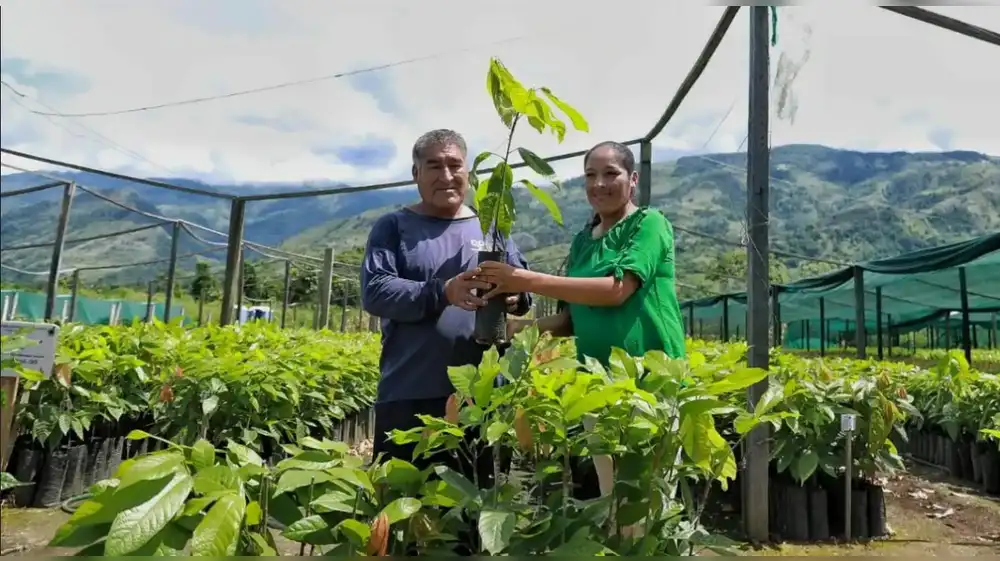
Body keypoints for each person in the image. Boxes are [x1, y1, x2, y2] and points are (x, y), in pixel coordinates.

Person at [475, 140, 686, 499]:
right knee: (613, 498)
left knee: (650, 501)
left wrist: (524, 279)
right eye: (591, 175)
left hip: (650, 381)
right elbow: (572, 321)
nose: (599, 184)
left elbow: (617, 290)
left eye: (610, 174)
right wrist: (516, 328)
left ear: (632, 179)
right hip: (598, 385)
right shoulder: (582, 242)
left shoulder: (648, 224)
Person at [360, 129, 532, 487]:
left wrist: (518, 299)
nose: (446, 175)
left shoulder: (491, 228)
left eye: (455, 165)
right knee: (402, 508)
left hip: (480, 396)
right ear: (416, 173)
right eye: (434, 166)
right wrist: (443, 291)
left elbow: (522, 281)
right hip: (410, 391)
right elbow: (376, 291)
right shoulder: (394, 227)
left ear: (468, 172)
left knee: (470, 512)